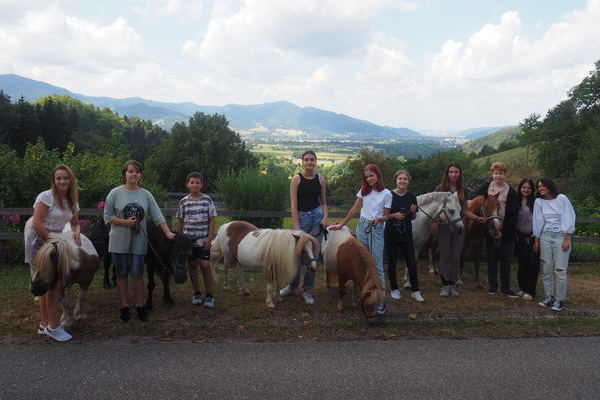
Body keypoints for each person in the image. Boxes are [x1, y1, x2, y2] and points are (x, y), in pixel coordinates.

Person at [104, 160, 175, 322]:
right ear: (124, 174)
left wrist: (168, 233)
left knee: (137, 273)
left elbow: (158, 216)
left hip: (139, 240)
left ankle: (140, 306)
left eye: (137, 172)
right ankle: (124, 307)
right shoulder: (115, 193)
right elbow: (107, 217)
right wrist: (126, 222)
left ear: (140, 175)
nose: (134, 174)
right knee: (121, 273)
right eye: (130, 171)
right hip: (118, 240)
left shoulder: (146, 194)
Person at [25, 164, 81, 341]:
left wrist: (77, 230)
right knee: (50, 284)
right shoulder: (46, 197)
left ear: (70, 180)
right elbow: (36, 223)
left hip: (55, 242)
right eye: (58, 178)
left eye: (65, 178)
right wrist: (53, 239)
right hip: (39, 240)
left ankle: (44, 324)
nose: (62, 181)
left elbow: (74, 223)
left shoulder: (72, 200)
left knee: (50, 283)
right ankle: (54, 326)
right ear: (54, 180)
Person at [330, 164, 391, 314]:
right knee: (360, 262)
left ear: (377, 175)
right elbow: (354, 209)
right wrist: (342, 225)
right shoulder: (364, 191)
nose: (369, 179)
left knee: (376, 265)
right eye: (367, 177)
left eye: (372, 176)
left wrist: (379, 220)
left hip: (376, 229)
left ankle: (380, 300)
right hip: (362, 227)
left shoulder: (387, 193)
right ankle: (363, 294)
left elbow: (387, 216)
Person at [280, 150, 328, 305]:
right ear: (302, 162)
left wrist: (325, 217)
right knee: (297, 254)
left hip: (316, 217)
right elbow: (293, 205)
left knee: (313, 255)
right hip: (301, 217)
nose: (309, 162)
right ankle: (292, 285)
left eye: (312, 159)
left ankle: (307, 290)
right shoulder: (296, 179)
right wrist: (298, 227)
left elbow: (323, 203)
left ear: (316, 162)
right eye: (306, 159)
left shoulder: (320, 179)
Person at [434, 163, 482, 297]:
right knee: (444, 256)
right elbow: (436, 209)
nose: (453, 175)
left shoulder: (463, 190)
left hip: (459, 227)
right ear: (447, 173)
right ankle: (445, 285)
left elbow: (465, 210)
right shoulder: (440, 188)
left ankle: (453, 284)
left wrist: (476, 217)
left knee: (456, 256)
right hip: (443, 227)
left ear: (460, 174)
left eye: (456, 172)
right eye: (451, 172)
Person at [533, 177, 576, 312]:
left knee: (560, 270)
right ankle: (548, 296)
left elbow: (569, 216)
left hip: (561, 237)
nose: (540, 188)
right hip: (545, 236)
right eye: (538, 186)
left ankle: (559, 299)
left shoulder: (561, 199)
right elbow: (538, 221)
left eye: (543, 186)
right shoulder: (539, 202)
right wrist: (537, 239)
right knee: (546, 268)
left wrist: (566, 238)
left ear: (549, 186)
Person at [476, 162, 519, 298]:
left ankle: (506, 288)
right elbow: (475, 201)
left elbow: (513, 215)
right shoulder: (485, 188)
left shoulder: (510, 192)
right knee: (492, 259)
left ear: (505, 175)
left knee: (505, 260)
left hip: (506, 232)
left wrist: (503, 232)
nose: (498, 176)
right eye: (496, 173)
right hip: (489, 230)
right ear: (492, 174)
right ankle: (493, 286)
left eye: (501, 173)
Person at [176, 172, 217, 308]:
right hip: (188, 242)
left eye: (197, 182)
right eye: (192, 182)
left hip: (203, 241)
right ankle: (196, 293)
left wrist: (210, 238)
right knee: (192, 266)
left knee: (205, 266)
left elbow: (212, 220)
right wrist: (180, 241)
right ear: (188, 184)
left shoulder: (207, 200)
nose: (195, 184)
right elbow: (180, 221)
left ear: (202, 185)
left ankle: (210, 295)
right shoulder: (184, 201)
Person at [384, 170, 424, 302]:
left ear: (408, 181)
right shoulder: (388, 195)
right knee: (392, 262)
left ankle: (415, 290)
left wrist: (413, 212)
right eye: (400, 179)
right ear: (396, 180)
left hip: (406, 234)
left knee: (412, 263)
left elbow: (413, 217)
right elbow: (382, 216)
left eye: (405, 179)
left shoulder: (412, 197)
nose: (402, 181)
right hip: (391, 234)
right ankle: (394, 289)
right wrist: (393, 216)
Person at [515, 178, 540, 300]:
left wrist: (537, 238)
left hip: (533, 237)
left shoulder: (536, 202)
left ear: (532, 190)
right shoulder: (516, 201)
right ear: (520, 188)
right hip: (519, 237)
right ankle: (522, 288)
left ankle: (531, 291)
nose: (526, 190)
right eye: (524, 187)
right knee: (522, 263)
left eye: (529, 188)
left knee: (532, 264)